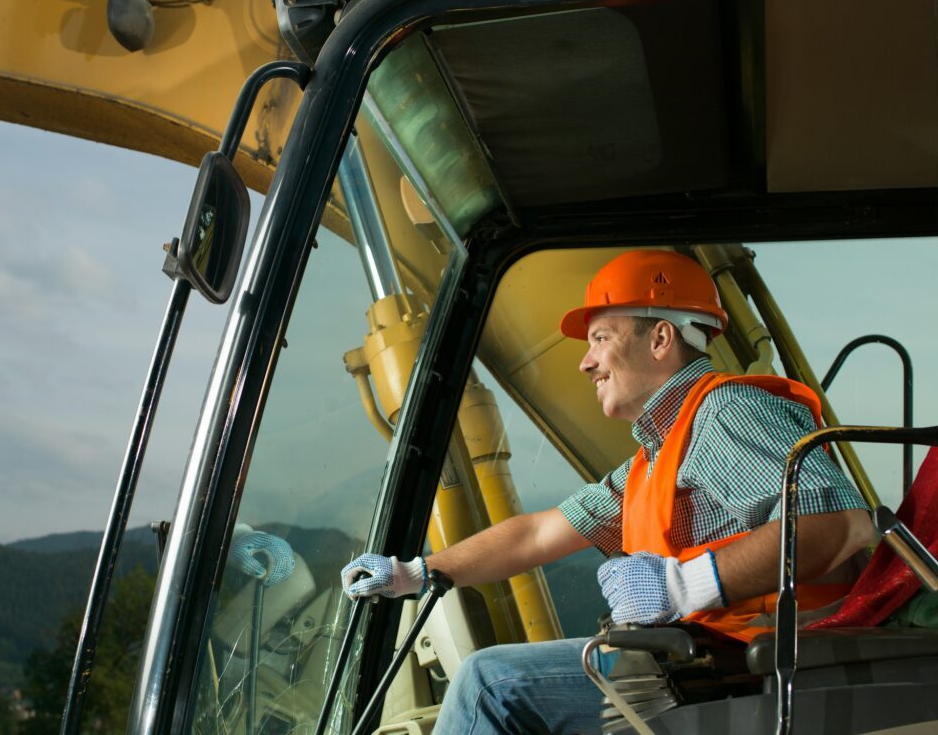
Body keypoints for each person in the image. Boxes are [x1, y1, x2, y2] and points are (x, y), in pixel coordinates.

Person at [341, 249, 874, 734]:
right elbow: (537, 533)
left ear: (662, 339)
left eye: (601, 338)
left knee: (491, 686)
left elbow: (840, 525)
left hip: (749, 672)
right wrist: (418, 573)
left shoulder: (726, 414)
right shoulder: (657, 453)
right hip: (697, 662)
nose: (586, 361)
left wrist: (682, 587)